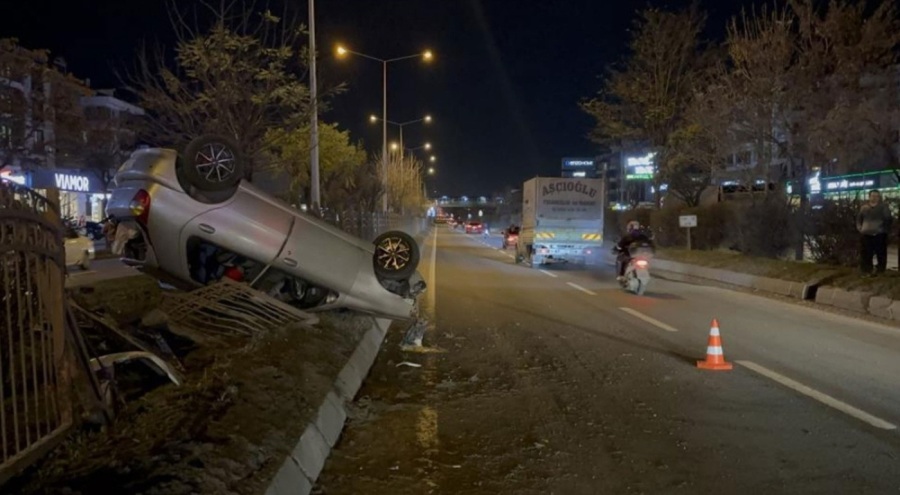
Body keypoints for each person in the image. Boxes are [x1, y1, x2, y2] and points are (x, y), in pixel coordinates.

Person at [857, 189, 892, 276]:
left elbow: (888, 220)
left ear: (879, 197)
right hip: (866, 234)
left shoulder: (883, 208)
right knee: (866, 254)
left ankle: (880, 271)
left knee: (881, 253)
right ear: (869, 197)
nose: (874, 198)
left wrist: (884, 230)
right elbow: (859, 219)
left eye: (876, 196)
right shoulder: (864, 208)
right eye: (873, 196)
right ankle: (866, 271)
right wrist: (860, 228)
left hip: (879, 234)